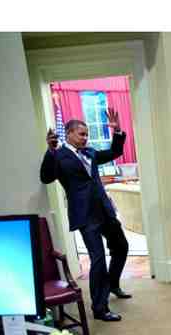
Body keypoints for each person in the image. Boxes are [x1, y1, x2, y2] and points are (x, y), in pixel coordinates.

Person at [40, 109, 131, 322]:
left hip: (105, 211)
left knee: (121, 246)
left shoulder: (90, 152)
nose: (85, 138)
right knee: (98, 258)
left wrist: (117, 131)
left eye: (87, 134)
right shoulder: (59, 156)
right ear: (69, 133)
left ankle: (113, 283)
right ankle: (100, 308)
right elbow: (46, 177)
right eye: (81, 134)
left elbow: (115, 152)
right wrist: (50, 151)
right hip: (85, 216)